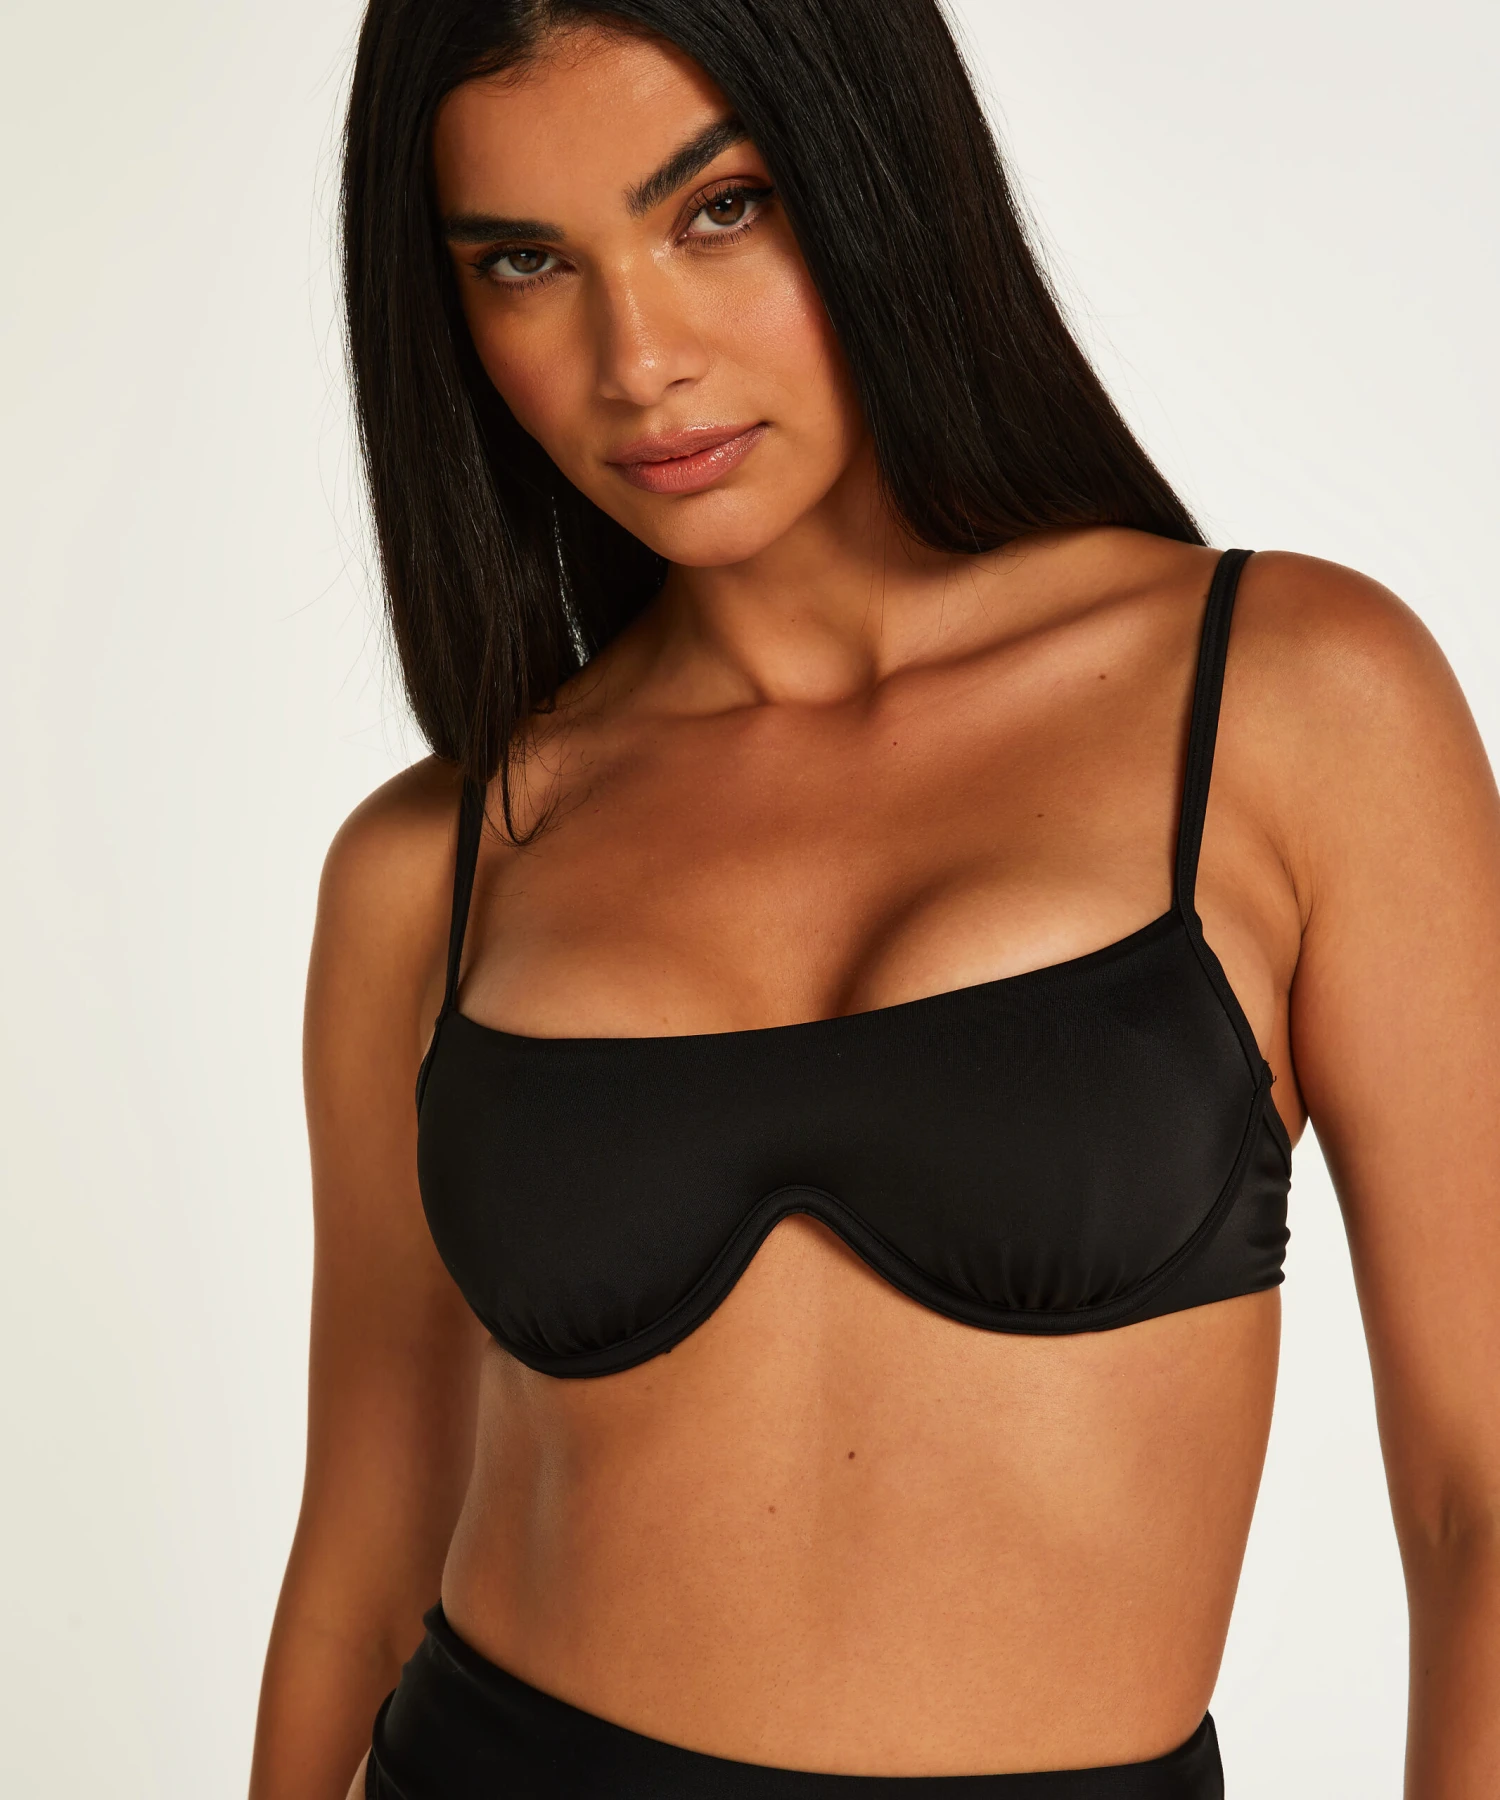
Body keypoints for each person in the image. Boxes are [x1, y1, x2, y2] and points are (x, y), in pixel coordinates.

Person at [249, 2, 1500, 1795]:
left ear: (871, 170)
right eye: (527, 262)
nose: (638, 361)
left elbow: (1478, 1501)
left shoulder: (1292, 704)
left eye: (719, 210)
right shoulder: (434, 868)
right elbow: (359, 1575)